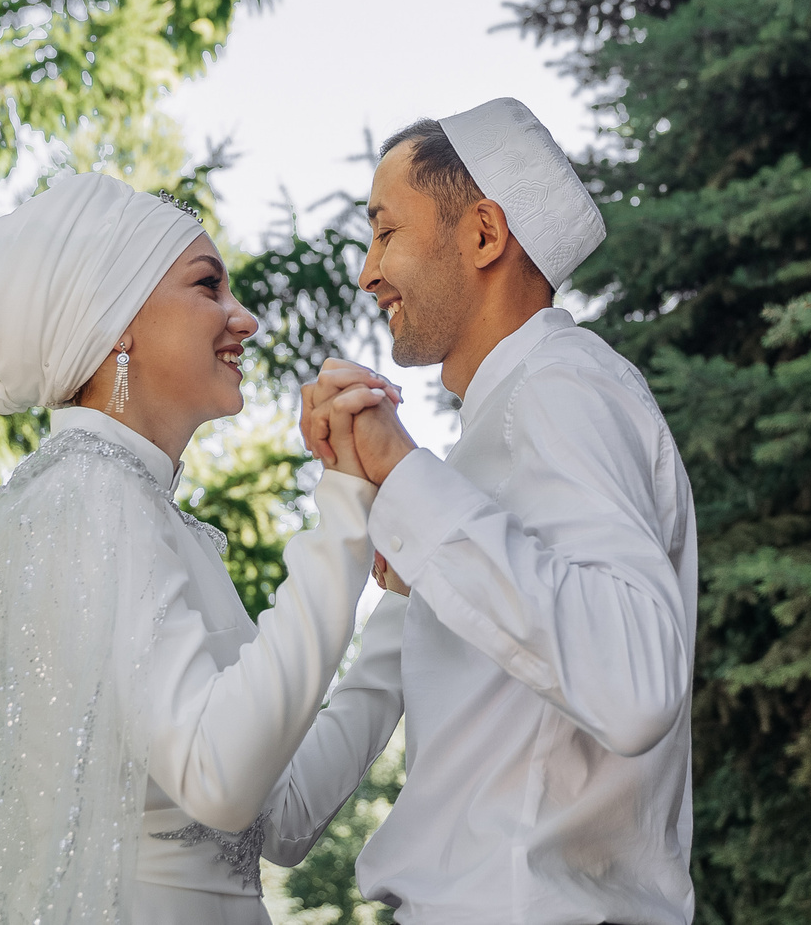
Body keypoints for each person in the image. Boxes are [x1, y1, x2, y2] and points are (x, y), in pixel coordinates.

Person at [0, 172, 396, 925]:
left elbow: (278, 816)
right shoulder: (87, 498)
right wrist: (345, 505)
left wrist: (403, 615)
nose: (243, 318)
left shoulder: (138, 513)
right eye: (208, 286)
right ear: (116, 320)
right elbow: (218, 772)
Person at [291, 97, 701, 925]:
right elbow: (290, 812)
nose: (367, 271)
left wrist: (404, 472)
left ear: (483, 233)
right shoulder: (474, 460)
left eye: (386, 231)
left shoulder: (562, 382)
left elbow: (636, 685)